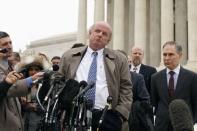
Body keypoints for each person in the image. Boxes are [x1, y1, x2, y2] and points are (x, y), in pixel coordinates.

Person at [59, 21, 133, 131]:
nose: (100, 35)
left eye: (104, 33)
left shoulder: (119, 59)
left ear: (108, 40)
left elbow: (126, 87)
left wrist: (120, 114)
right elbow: (60, 82)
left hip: (107, 116)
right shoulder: (69, 56)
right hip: (75, 114)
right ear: (89, 33)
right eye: (97, 31)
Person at [0, 31, 43, 131]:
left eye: (10, 42)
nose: (10, 46)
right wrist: (30, 80)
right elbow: (9, 89)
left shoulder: (9, 66)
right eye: (5, 44)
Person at [151, 41, 197, 131]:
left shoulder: (192, 77)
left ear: (180, 55)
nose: (167, 58)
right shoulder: (155, 77)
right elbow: (154, 103)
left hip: (183, 126)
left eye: (171, 54)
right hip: (161, 126)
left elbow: (195, 103)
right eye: (164, 55)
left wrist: (191, 122)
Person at [16, 55, 49, 131]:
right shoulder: (23, 84)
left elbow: (50, 104)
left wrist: (35, 107)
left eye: (36, 69)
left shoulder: (45, 85)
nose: (33, 72)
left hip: (39, 120)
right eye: (30, 69)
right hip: (24, 118)